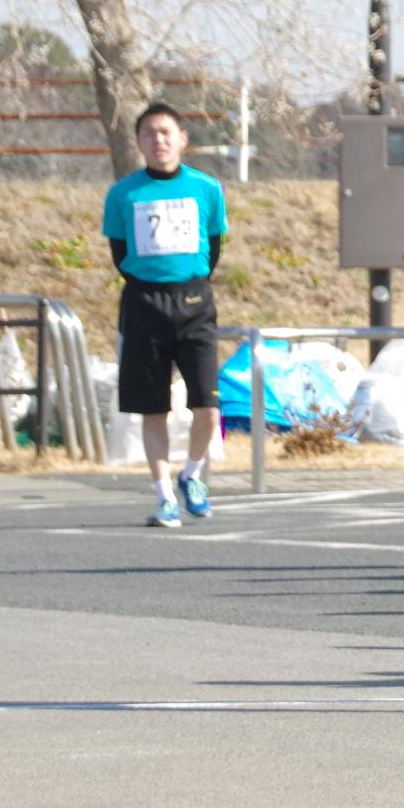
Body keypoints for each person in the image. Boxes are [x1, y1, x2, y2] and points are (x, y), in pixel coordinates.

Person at [104, 103, 229, 529]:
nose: (157, 141)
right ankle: (163, 497)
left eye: (165, 132)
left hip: (194, 302)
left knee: (208, 409)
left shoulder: (206, 188)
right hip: (143, 304)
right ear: (138, 142)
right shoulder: (124, 193)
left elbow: (214, 247)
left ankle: (191, 475)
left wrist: (189, 282)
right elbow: (119, 255)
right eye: (148, 134)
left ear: (181, 139)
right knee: (151, 408)